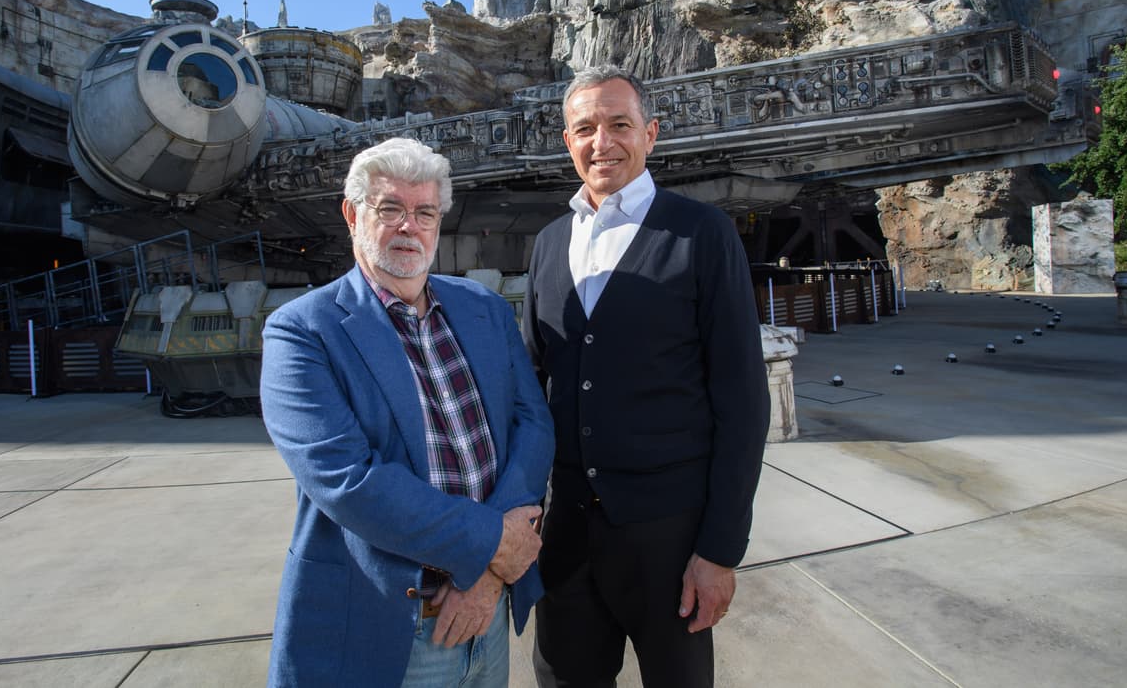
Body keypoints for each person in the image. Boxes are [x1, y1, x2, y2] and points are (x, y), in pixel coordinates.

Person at [260, 137, 555, 688]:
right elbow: (350, 481)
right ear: (352, 215)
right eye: (389, 208)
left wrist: (489, 576)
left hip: (485, 616)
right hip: (386, 627)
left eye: (424, 212)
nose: (408, 227)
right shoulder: (301, 331)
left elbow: (531, 424)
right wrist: (494, 545)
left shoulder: (484, 308)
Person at [522, 66, 772, 688]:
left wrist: (718, 551)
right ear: (567, 140)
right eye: (585, 128)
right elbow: (531, 388)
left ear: (651, 134)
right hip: (568, 538)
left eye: (618, 125)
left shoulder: (702, 234)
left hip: (670, 538)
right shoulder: (549, 243)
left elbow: (742, 402)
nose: (601, 142)